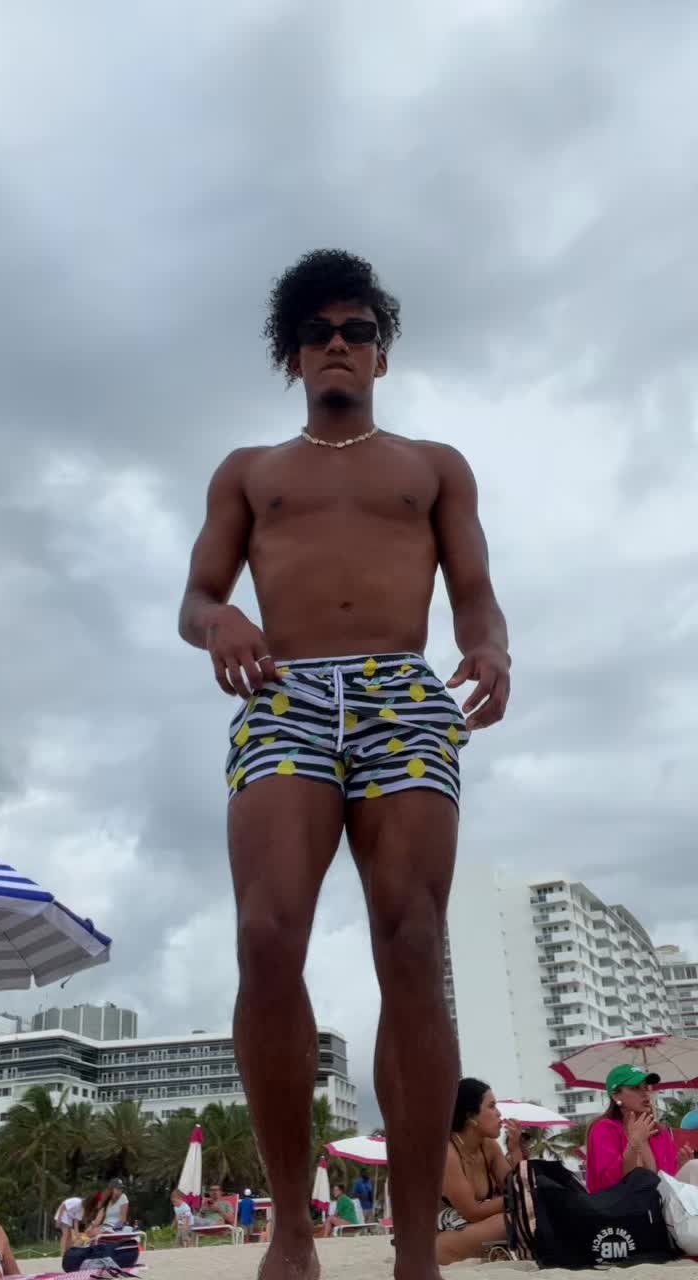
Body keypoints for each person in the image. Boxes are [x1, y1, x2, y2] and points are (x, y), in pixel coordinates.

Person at [178, 248, 510, 1280]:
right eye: (318, 331)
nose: (338, 343)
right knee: (266, 935)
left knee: (412, 940)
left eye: (357, 329)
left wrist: (490, 646)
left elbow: (475, 593)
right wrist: (223, 620)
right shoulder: (249, 471)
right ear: (292, 354)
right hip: (286, 691)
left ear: (380, 353)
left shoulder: (435, 466)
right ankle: (293, 1227)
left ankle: (416, 1251)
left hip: (403, 692)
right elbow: (196, 598)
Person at [436, 1078, 523, 1265]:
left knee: (532, 1209)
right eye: (491, 1106)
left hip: (476, 1229)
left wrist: (515, 1150)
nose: (499, 1113)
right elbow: (472, 1212)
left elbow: (513, 1184)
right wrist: (517, 1198)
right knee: (525, 1213)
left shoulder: (489, 1146)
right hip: (443, 1237)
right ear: (470, 1117)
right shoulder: (447, 1153)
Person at [586, 1065, 695, 1193]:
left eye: (646, 1087)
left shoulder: (659, 1131)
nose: (645, 1093)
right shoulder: (604, 1129)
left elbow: (668, 1180)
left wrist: (682, 1166)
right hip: (622, 1203)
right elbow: (607, 1182)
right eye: (635, 1088)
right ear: (616, 1096)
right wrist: (633, 1145)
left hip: (660, 1201)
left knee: (694, 1167)